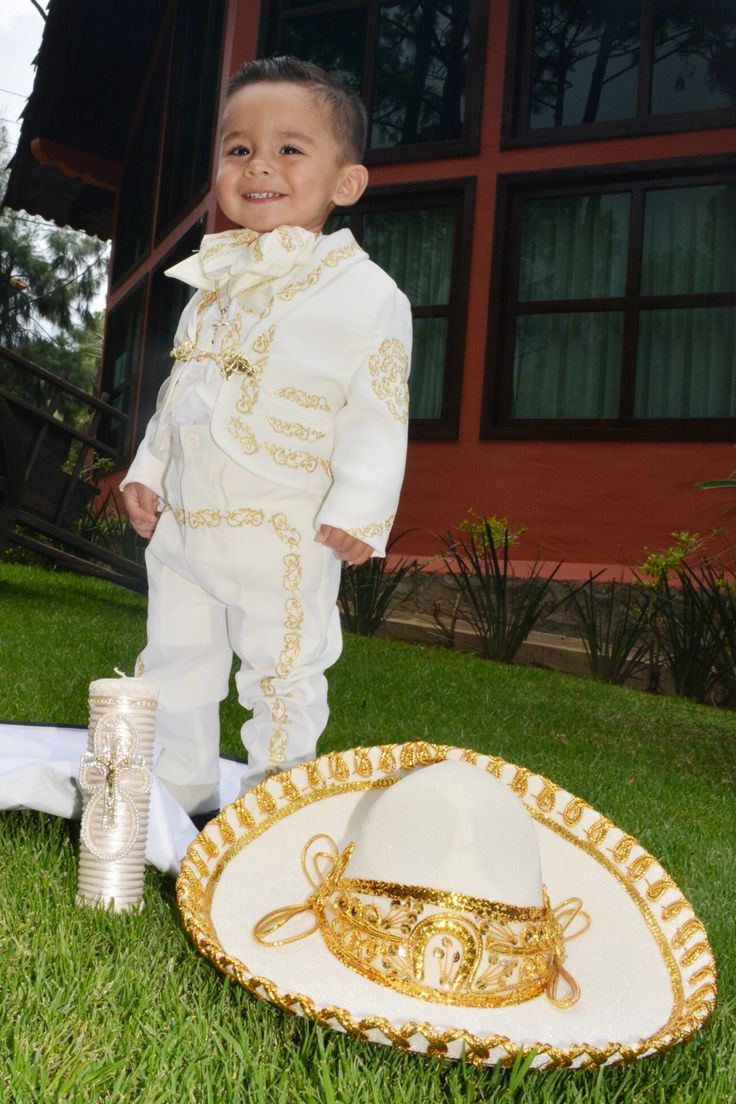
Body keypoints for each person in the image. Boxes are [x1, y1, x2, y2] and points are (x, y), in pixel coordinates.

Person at [121, 56, 412, 819]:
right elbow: (178, 393)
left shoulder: (366, 293)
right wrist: (146, 469)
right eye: (238, 148)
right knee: (174, 660)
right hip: (185, 526)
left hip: (283, 527)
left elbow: (379, 407)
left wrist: (362, 507)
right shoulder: (210, 286)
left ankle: (275, 810)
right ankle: (177, 794)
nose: (260, 166)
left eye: (290, 148)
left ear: (345, 183)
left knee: (282, 669)